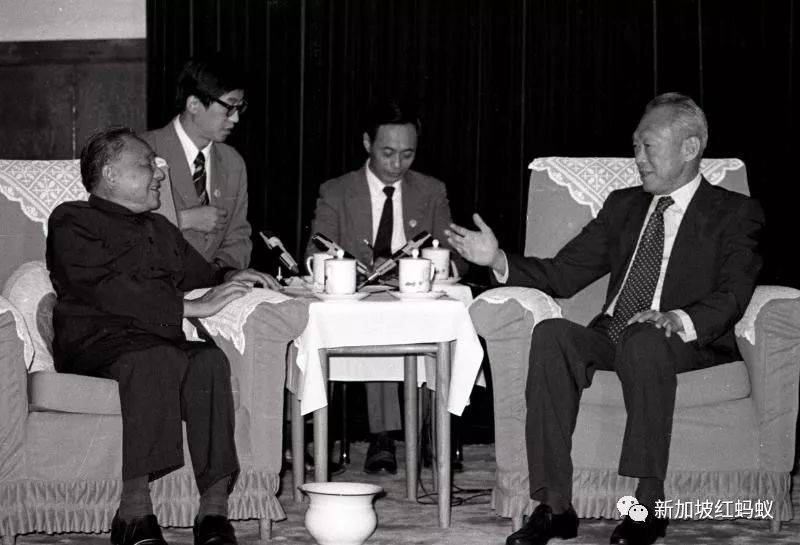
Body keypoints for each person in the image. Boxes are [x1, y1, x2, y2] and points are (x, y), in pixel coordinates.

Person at [446, 93, 764, 545]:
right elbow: (564, 273)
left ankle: (647, 505)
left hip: (682, 341)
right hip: (614, 336)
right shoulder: (624, 206)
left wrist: (677, 318)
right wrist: (496, 259)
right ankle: (554, 507)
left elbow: (734, 292)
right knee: (552, 334)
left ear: (690, 148)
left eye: (648, 146)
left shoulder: (733, 212)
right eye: (635, 147)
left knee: (645, 338)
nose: (638, 158)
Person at [47, 128, 280, 545]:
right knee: (154, 358)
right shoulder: (72, 219)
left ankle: (213, 513)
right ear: (110, 174)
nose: (159, 173)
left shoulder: (160, 226)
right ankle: (133, 513)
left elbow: (201, 274)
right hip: (96, 341)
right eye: (146, 165)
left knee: (208, 360)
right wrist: (189, 308)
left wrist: (233, 276)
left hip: (156, 341)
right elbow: (104, 288)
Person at [304, 98, 466, 473]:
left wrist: (414, 268)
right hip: (360, 297)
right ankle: (383, 435)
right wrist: (350, 268)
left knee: (438, 326)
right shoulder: (337, 191)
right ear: (367, 143)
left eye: (407, 155)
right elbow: (315, 251)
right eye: (387, 153)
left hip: (414, 296)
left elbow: (455, 255)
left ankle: (429, 431)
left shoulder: (431, 191)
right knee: (377, 323)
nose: (396, 165)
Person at [142, 56, 252, 272]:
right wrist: (183, 220)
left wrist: (218, 271)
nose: (236, 118)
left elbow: (239, 237)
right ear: (193, 104)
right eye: (229, 107)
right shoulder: (143, 151)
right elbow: (120, 227)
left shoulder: (233, 162)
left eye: (239, 108)